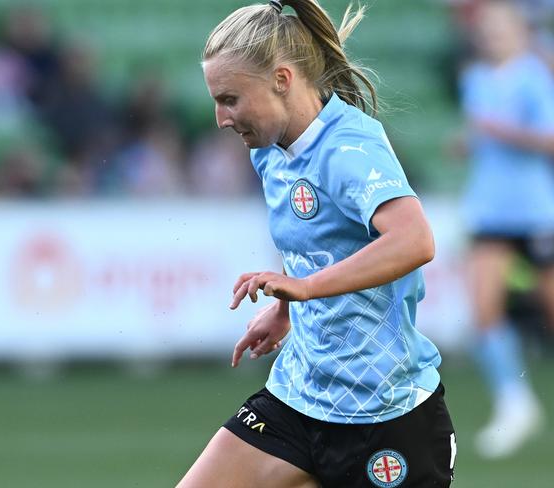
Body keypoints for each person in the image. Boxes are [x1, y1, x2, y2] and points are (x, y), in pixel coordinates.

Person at [178, 1, 456, 487]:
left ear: (282, 80)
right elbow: (320, 243)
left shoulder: (348, 149)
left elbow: (414, 240)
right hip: (299, 396)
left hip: (384, 411)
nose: (222, 118)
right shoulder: (269, 151)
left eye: (230, 99)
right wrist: (287, 311)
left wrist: (305, 287)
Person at [458, 0, 554, 459]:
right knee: (482, 309)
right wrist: (469, 143)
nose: (493, 37)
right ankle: (514, 405)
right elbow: (483, 134)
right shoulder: (475, 79)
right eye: (488, 29)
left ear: (520, 33)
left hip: (537, 212)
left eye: (502, 29)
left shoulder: (536, 77)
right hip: (489, 212)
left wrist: (503, 133)